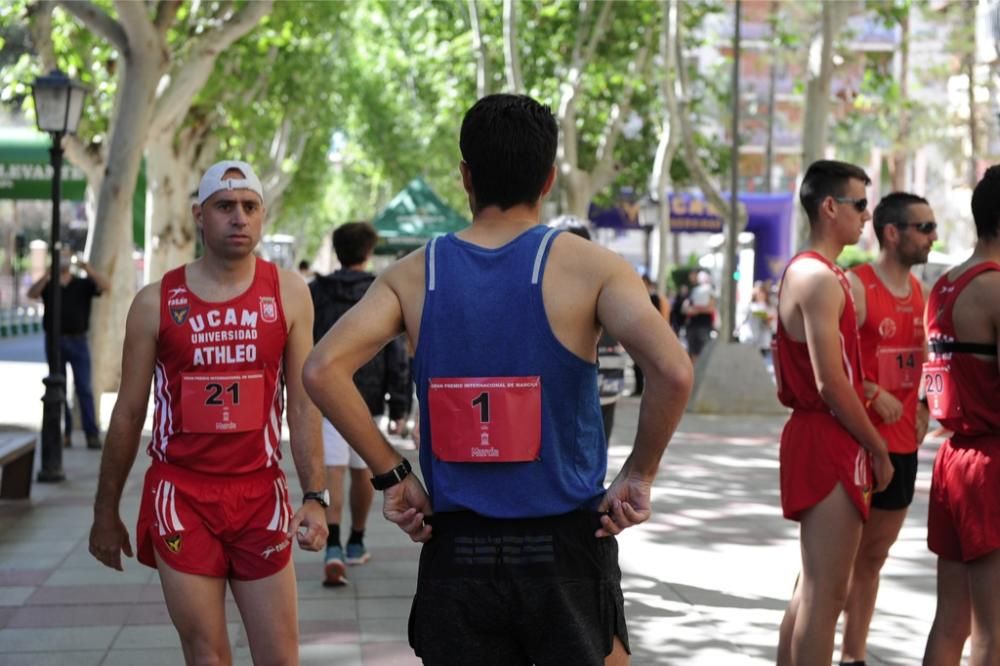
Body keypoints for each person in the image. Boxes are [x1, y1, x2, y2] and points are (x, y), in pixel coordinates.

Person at [303, 94, 694, 665]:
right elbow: (673, 370)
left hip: (457, 546)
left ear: (465, 176)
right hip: (565, 545)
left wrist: (393, 475)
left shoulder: (413, 273)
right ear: (549, 178)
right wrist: (640, 472)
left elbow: (321, 368)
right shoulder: (593, 267)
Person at [87, 160, 328, 664]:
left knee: (280, 657)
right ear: (199, 215)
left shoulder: (289, 292)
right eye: (224, 207)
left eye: (249, 207)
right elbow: (129, 415)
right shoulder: (155, 302)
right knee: (207, 655)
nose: (238, 218)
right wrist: (105, 512)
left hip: (260, 494)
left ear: (262, 215)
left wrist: (315, 496)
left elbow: (303, 405)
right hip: (183, 496)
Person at [774, 160, 893, 666]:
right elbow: (831, 383)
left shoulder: (818, 273)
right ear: (830, 207)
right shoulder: (818, 278)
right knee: (826, 597)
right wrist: (878, 445)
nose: (867, 215)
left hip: (821, 432)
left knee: (813, 592)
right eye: (860, 204)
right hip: (828, 435)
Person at [840, 192, 936, 665]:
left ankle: (853, 655)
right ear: (893, 233)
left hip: (902, 448)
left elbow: (932, 360)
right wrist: (873, 392)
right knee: (831, 564)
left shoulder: (923, 295)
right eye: (924, 227)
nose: (933, 237)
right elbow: (832, 366)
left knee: (874, 558)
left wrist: (925, 405)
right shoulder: (856, 286)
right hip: (857, 442)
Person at [922, 166, 1000, 665]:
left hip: (952, 460)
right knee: (994, 629)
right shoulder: (995, 288)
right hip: (991, 463)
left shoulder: (945, 285)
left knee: (951, 621)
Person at [309, 221, 411, 585]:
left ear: (337, 251)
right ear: (368, 253)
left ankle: (333, 543)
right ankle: (356, 541)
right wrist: (399, 406)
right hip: (369, 400)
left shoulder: (316, 292)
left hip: (325, 399)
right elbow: (397, 353)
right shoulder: (381, 291)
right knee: (366, 473)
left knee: (332, 471)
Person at [27, 247, 110, 449]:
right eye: (60, 256)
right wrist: (48, 273)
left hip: (79, 341)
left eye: (66, 256)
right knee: (58, 389)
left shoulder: (82, 284)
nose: (64, 260)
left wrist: (87, 267)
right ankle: (65, 433)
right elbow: (31, 293)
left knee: (84, 388)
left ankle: (92, 433)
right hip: (55, 342)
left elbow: (106, 286)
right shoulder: (50, 284)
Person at [683, 270, 716, 363]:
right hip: (692, 326)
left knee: (704, 353)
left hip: (704, 326)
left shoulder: (709, 290)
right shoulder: (694, 290)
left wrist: (696, 310)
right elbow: (685, 307)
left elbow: (711, 307)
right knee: (693, 353)